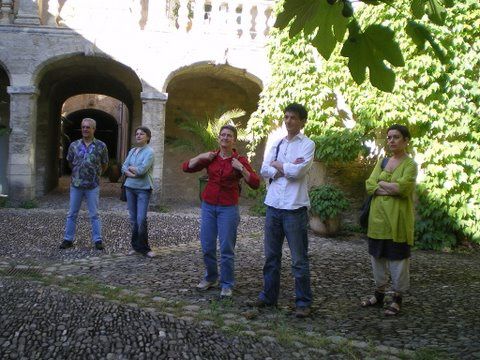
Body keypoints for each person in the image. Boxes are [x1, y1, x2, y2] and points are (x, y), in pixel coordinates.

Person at [182, 125, 260, 298]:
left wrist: (241, 168)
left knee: (226, 248)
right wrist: (201, 156)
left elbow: (255, 183)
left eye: (229, 135)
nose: (225, 137)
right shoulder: (211, 157)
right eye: (222, 135)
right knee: (207, 246)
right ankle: (211, 277)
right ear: (219, 138)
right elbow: (186, 167)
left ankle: (227, 283)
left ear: (234, 140)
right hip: (208, 206)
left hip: (228, 208)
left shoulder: (239, 159)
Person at [255, 103, 315, 318]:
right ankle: (269, 296)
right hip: (273, 206)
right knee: (271, 256)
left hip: (294, 208)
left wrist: (278, 165)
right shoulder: (277, 143)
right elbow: (264, 169)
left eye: (293, 117)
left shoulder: (308, 144)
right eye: (286, 116)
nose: (288, 121)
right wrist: (284, 167)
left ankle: (303, 302)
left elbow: (298, 172)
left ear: (302, 121)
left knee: (299, 259)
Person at [361, 124, 417, 316]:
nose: (391, 140)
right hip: (377, 220)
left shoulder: (410, 165)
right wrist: (388, 187)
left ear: (405, 140)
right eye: (389, 137)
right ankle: (379, 294)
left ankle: (397, 298)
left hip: (398, 221)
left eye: (396, 137)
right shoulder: (383, 161)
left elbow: (403, 189)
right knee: (377, 258)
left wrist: (381, 184)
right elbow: (369, 185)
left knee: (398, 260)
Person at [60, 118, 109, 250]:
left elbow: (104, 164)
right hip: (76, 185)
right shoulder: (74, 145)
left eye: (88, 127)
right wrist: (78, 173)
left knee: (94, 214)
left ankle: (98, 240)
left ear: (94, 129)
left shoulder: (101, 146)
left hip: (93, 185)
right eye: (83, 127)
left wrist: (96, 174)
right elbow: (70, 162)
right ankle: (68, 239)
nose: (85, 129)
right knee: (72, 213)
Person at [122, 126, 155, 258]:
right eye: (137, 134)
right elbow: (123, 166)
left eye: (142, 134)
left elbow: (142, 170)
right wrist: (130, 171)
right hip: (129, 187)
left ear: (147, 137)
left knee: (141, 219)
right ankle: (135, 247)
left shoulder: (150, 152)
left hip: (143, 189)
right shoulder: (132, 151)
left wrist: (130, 169)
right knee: (133, 219)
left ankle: (145, 248)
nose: (138, 136)